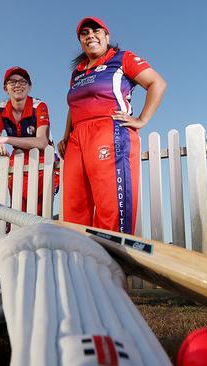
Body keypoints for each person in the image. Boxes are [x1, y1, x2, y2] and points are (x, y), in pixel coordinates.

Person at [58, 16, 166, 234]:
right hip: (78, 138)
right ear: (81, 41)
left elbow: (157, 83)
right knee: (74, 208)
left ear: (107, 36)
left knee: (111, 207)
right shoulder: (77, 72)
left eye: (96, 31)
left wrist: (142, 119)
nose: (90, 36)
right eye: (84, 33)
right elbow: (74, 104)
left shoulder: (121, 58)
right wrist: (67, 134)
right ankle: (79, 262)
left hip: (109, 130)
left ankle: (113, 263)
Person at [0, 66, 59, 216]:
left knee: (41, 212)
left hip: (44, 160)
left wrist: (5, 139)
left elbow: (42, 142)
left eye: (23, 81)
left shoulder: (38, 105)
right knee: (18, 210)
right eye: (12, 82)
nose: (18, 85)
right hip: (18, 160)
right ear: (5, 88)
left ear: (30, 87)